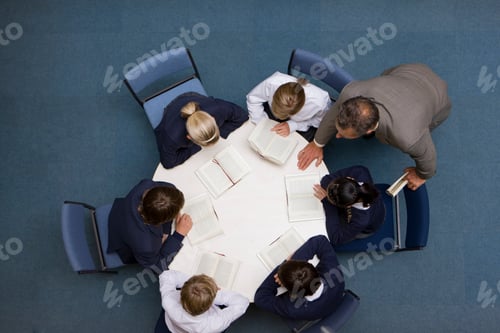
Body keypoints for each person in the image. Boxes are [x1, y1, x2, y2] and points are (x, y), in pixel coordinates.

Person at [297, 63, 451, 190]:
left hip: (436, 95)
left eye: (343, 135)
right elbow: (334, 114)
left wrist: (421, 175)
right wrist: (317, 143)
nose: (337, 136)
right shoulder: (351, 92)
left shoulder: (408, 137)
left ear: (369, 130)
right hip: (409, 70)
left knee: (425, 126)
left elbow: (427, 157)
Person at [107, 179, 192, 271]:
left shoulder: (146, 186)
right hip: (121, 240)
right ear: (160, 222)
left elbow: (169, 189)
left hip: (119, 211)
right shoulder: (147, 247)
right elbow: (157, 266)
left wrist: (165, 232)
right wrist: (178, 235)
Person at [254, 235, 344, 321]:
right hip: (335, 296)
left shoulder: (292, 308)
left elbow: (260, 298)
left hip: (315, 312)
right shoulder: (334, 272)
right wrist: (292, 261)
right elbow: (320, 240)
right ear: (312, 268)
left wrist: (282, 269)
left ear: (291, 291)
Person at [155, 92, 248, 169]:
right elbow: (168, 163)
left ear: (213, 119)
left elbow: (242, 116)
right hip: (173, 109)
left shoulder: (219, 108)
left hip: (195, 99)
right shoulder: (172, 137)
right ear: (189, 137)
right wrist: (195, 148)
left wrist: (222, 132)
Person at [246, 71, 331, 141]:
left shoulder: (320, 104)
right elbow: (253, 99)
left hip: (301, 123)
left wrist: (294, 125)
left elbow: (318, 122)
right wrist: (261, 122)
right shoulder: (272, 83)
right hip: (270, 115)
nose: (281, 119)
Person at [156, 270, 249, 333]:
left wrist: (194, 284)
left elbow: (166, 275)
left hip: (172, 328)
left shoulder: (168, 301)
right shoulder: (215, 323)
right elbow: (242, 302)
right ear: (210, 305)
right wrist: (215, 295)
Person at [313, 165, 385, 246]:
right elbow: (326, 180)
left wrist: (328, 204)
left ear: (346, 206)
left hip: (366, 227)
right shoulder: (360, 171)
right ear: (350, 178)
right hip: (368, 205)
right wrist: (329, 198)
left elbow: (336, 238)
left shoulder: (361, 220)